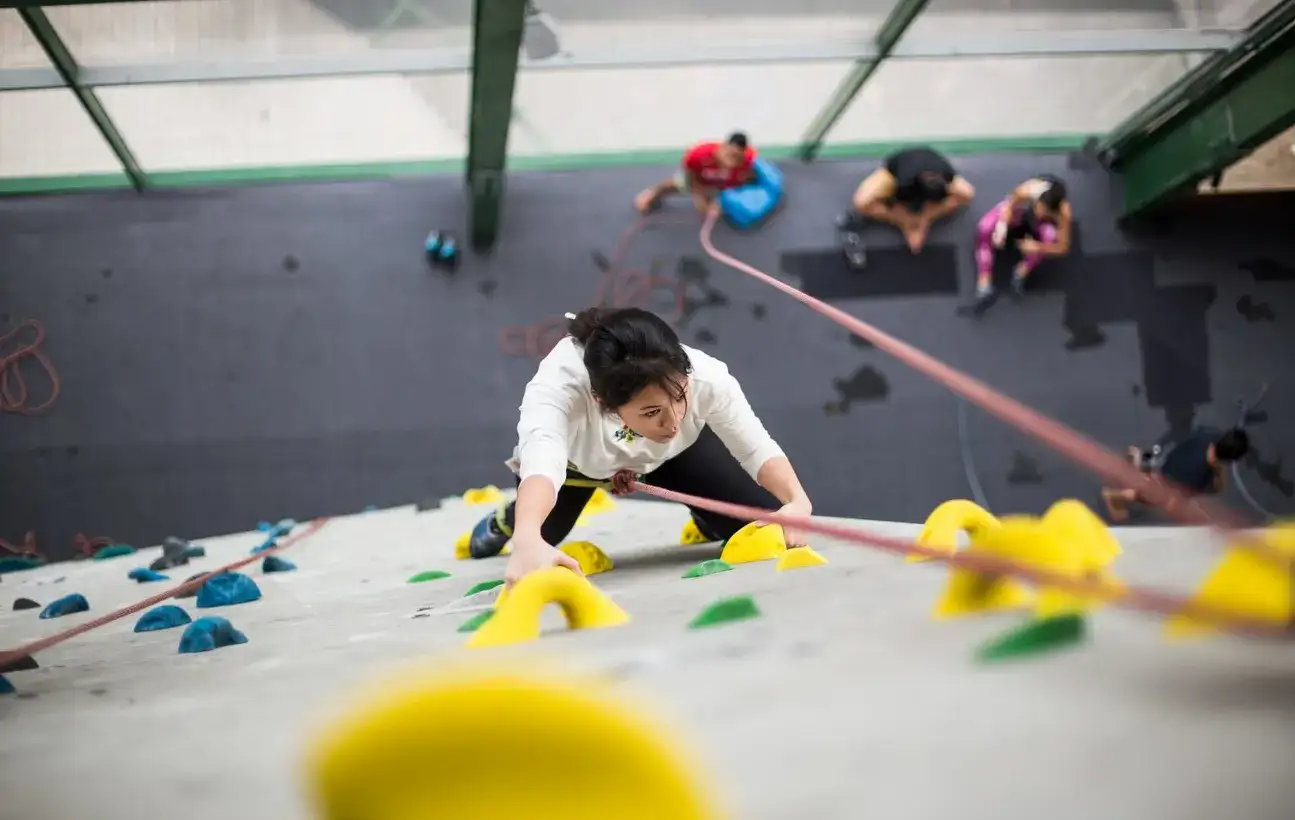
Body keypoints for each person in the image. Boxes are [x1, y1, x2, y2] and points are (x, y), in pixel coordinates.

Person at [467, 306, 814, 588]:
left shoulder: (706, 377)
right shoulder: (558, 387)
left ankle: (706, 511)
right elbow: (543, 462)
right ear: (602, 401)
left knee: (764, 522)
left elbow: (755, 447)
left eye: (680, 398)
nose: (672, 419)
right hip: (578, 467)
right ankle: (506, 519)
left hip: (673, 455)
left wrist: (797, 500)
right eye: (652, 411)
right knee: (543, 534)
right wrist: (527, 538)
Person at [843, 146, 975, 254]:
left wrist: (925, 217)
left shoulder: (947, 175)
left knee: (968, 194)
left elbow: (966, 194)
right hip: (894, 172)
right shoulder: (904, 182)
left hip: (929, 173)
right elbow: (896, 202)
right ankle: (907, 221)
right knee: (861, 202)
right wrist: (906, 220)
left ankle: (922, 219)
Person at [1101, 427, 1250, 522]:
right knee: (1148, 496)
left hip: (1171, 458)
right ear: (1230, 460)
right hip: (1168, 478)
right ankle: (1113, 496)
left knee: (1154, 471)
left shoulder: (1209, 435)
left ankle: (1137, 458)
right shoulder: (1198, 476)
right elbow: (1212, 489)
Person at [971, 176, 1072, 307]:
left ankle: (1021, 271)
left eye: (1044, 211)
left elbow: (1063, 248)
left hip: (1040, 225)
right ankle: (984, 279)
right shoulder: (1027, 190)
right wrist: (1001, 227)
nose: (1040, 212)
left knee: (1050, 237)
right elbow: (1009, 205)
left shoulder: (1063, 214)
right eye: (1038, 207)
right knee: (984, 228)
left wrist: (1038, 247)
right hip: (1021, 212)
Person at [634, 133, 756, 215]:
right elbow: (689, 176)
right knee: (672, 185)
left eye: (737, 157)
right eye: (729, 154)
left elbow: (747, 178)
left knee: (718, 202)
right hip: (699, 179)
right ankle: (651, 195)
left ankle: (713, 200)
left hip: (722, 185)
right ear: (723, 147)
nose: (731, 162)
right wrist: (699, 197)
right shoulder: (698, 155)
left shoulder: (749, 159)